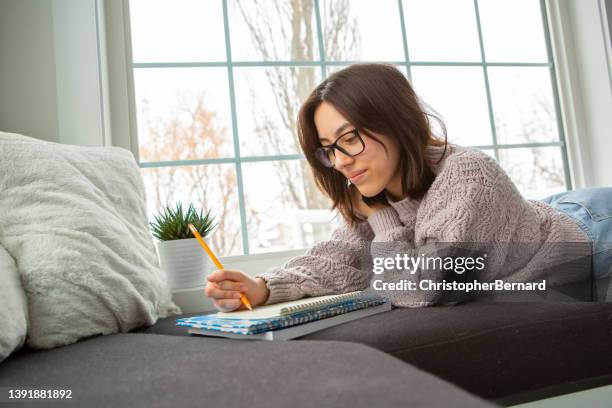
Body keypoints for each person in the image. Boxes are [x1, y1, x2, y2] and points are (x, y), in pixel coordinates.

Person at [204, 63, 610, 312]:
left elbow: (420, 291)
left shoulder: (469, 177)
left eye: (350, 138)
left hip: (594, 231)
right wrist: (262, 287)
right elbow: (337, 259)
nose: (341, 160)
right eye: (329, 149)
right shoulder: (376, 190)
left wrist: (379, 216)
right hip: (537, 214)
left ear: (393, 121)